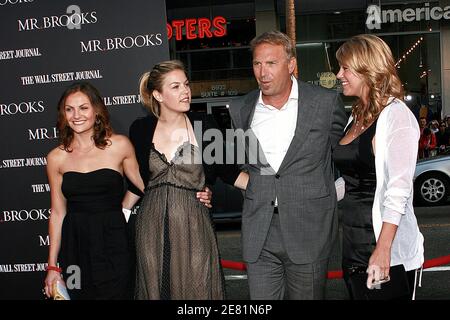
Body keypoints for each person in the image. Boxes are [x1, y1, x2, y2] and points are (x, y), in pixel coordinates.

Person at [227, 30, 347, 299]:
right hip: (260, 231)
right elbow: (240, 162)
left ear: (291, 64)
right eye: (257, 63)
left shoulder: (324, 103)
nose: (262, 72)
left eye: (271, 63)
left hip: (310, 230)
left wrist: (331, 192)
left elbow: (343, 155)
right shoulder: (240, 108)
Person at [122, 60, 248, 300]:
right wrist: (117, 217)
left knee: (198, 289)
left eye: (186, 85)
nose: (186, 91)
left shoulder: (204, 125)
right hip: (150, 226)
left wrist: (275, 189)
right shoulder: (140, 129)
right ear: (158, 94)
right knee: (155, 290)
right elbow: (137, 183)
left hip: (193, 225)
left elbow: (230, 173)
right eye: (176, 86)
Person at [334, 34, 424, 300]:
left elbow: (398, 189)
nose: (339, 74)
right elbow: (353, 180)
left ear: (368, 68)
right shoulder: (358, 114)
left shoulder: (396, 116)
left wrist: (383, 249)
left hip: (384, 251)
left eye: (345, 68)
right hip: (353, 246)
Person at [44, 82, 145, 299]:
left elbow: (145, 186)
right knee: (78, 293)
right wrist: (52, 265)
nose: (76, 115)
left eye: (83, 107)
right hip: (74, 245)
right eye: (69, 109)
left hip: (114, 240)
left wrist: (191, 194)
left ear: (96, 110)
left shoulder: (119, 146)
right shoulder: (56, 157)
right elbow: (58, 212)